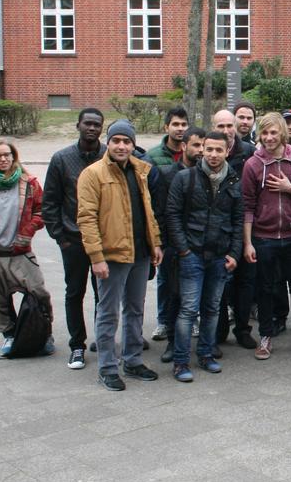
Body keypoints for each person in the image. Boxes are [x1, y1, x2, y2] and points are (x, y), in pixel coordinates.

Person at [76, 120, 164, 391]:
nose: (122, 146)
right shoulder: (93, 174)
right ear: (108, 142)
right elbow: (86, 218)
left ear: (133, 144)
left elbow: (148, 211)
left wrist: (155, 243)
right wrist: (96, 257)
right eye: (116, 141)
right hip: (111, 255)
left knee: (135, 309)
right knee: (108, 312)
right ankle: (107, 367)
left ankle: (133, 360)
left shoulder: (140, 170)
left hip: (139, 252)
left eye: (127, 141)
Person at [164, 131, 242, 382]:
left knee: (212, 308)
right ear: (202, 150)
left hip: (220, 256)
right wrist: (184, 250)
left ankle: (206, 354)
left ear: (227, 151)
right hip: (192, 255)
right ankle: (180, 361)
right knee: (188, 309)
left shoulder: (233, 180)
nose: (213, 154)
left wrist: (234, 253)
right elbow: (172, 215)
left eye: (219, 150)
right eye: (209, 149)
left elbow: (238, 220)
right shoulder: (185, 178)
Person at [0, 139, 53, 356]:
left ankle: (44, 333)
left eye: (7, 155)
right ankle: (10, 334)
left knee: (38, 292)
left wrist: (28, 231)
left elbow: (42, 211)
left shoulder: (29, 183)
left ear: (14, 156)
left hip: (19, 252)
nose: (3, 159)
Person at [242, 112, 291, 359]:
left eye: (273, 132)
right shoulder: (252, 165)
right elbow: (247, 206)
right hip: (263, 237)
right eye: (264, 133)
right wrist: (248, 243)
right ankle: (265, 336)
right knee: (266, 289)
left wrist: (290, 188)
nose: (269, 137)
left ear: (283, 133)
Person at [42, 108, 106, 370]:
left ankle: (102, 338)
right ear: (78, 125)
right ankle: (77, 345)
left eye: (97, 125)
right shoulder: (61, 159)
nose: (91, 128)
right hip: (73, 239)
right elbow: (50, 201)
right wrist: (60, 237)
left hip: (103, 240)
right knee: (75, 292)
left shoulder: (108, 155)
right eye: (87, 123)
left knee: (104, 293)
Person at [150, 128, 205, 360]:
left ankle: (204, 344)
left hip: (201, 244)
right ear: (183, 146)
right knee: (174, 295)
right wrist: (164, 244)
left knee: (199, 297)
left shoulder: (208, 174)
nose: (200, 151)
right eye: (196, 145)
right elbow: (162, 212)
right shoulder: (167, 174)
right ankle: (173, 343)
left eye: (203, 146)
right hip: (175, 245)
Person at [212, 108, 259, 350]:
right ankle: (219, 330)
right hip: (218, 230)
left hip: (245, 228)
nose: (226, 130)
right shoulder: (210, 151)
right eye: (220, 126)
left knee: (245, 282)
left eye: (229, 125)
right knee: (218, 283)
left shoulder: (249, 153)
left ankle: (242, 329)